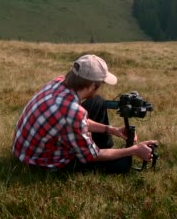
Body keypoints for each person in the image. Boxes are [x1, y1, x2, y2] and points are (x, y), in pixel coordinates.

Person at [11, 54, 157, 174]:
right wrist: (133, 150)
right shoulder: (72, 111)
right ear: (92, 85)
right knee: (120, 165)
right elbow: (92, 156)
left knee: (97, 102)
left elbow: (76, 120)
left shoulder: (59, 82)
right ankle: (110, 153)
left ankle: (107, 147)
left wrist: (111, 130)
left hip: (26, 150)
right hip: (39, 163)